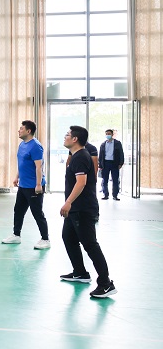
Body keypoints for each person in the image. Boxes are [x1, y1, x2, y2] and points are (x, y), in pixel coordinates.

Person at [59, 125, 117, 298]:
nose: (65, 137)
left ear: (75, 139)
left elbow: (81, 182)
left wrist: (68, 202)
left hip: (83, 209)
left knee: (90, 244)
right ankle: (80, 272)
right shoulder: (76, 155)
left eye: (67, 134)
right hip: (75, 209)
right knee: (68, 238)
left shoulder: (81, 157)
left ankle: (106, 284)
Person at [2, 120, 50, 249]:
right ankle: (16, 235)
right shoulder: (22, 144)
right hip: (23, 186)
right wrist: (17, 177)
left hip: (33, 187)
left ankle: (45, 239)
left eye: (21, 129)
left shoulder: (36, 146)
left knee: (37, 213)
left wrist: (38, 184)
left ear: (28, 131)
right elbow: (22, 163)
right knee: (18, 210)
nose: (19, 130)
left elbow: (39, 167)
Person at [98, 129, 124, 201]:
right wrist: (100, 165)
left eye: (109, 134)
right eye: (106, 134)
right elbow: (100, 155)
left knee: (115, 180)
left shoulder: (117, 143)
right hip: (105, 163)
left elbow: (121, 153)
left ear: (112, 135)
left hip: (114, 163)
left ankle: (115, 195)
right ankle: (105, 194)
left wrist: (121, 163)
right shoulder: (103, 144)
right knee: (104, 180)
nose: (107, 135)